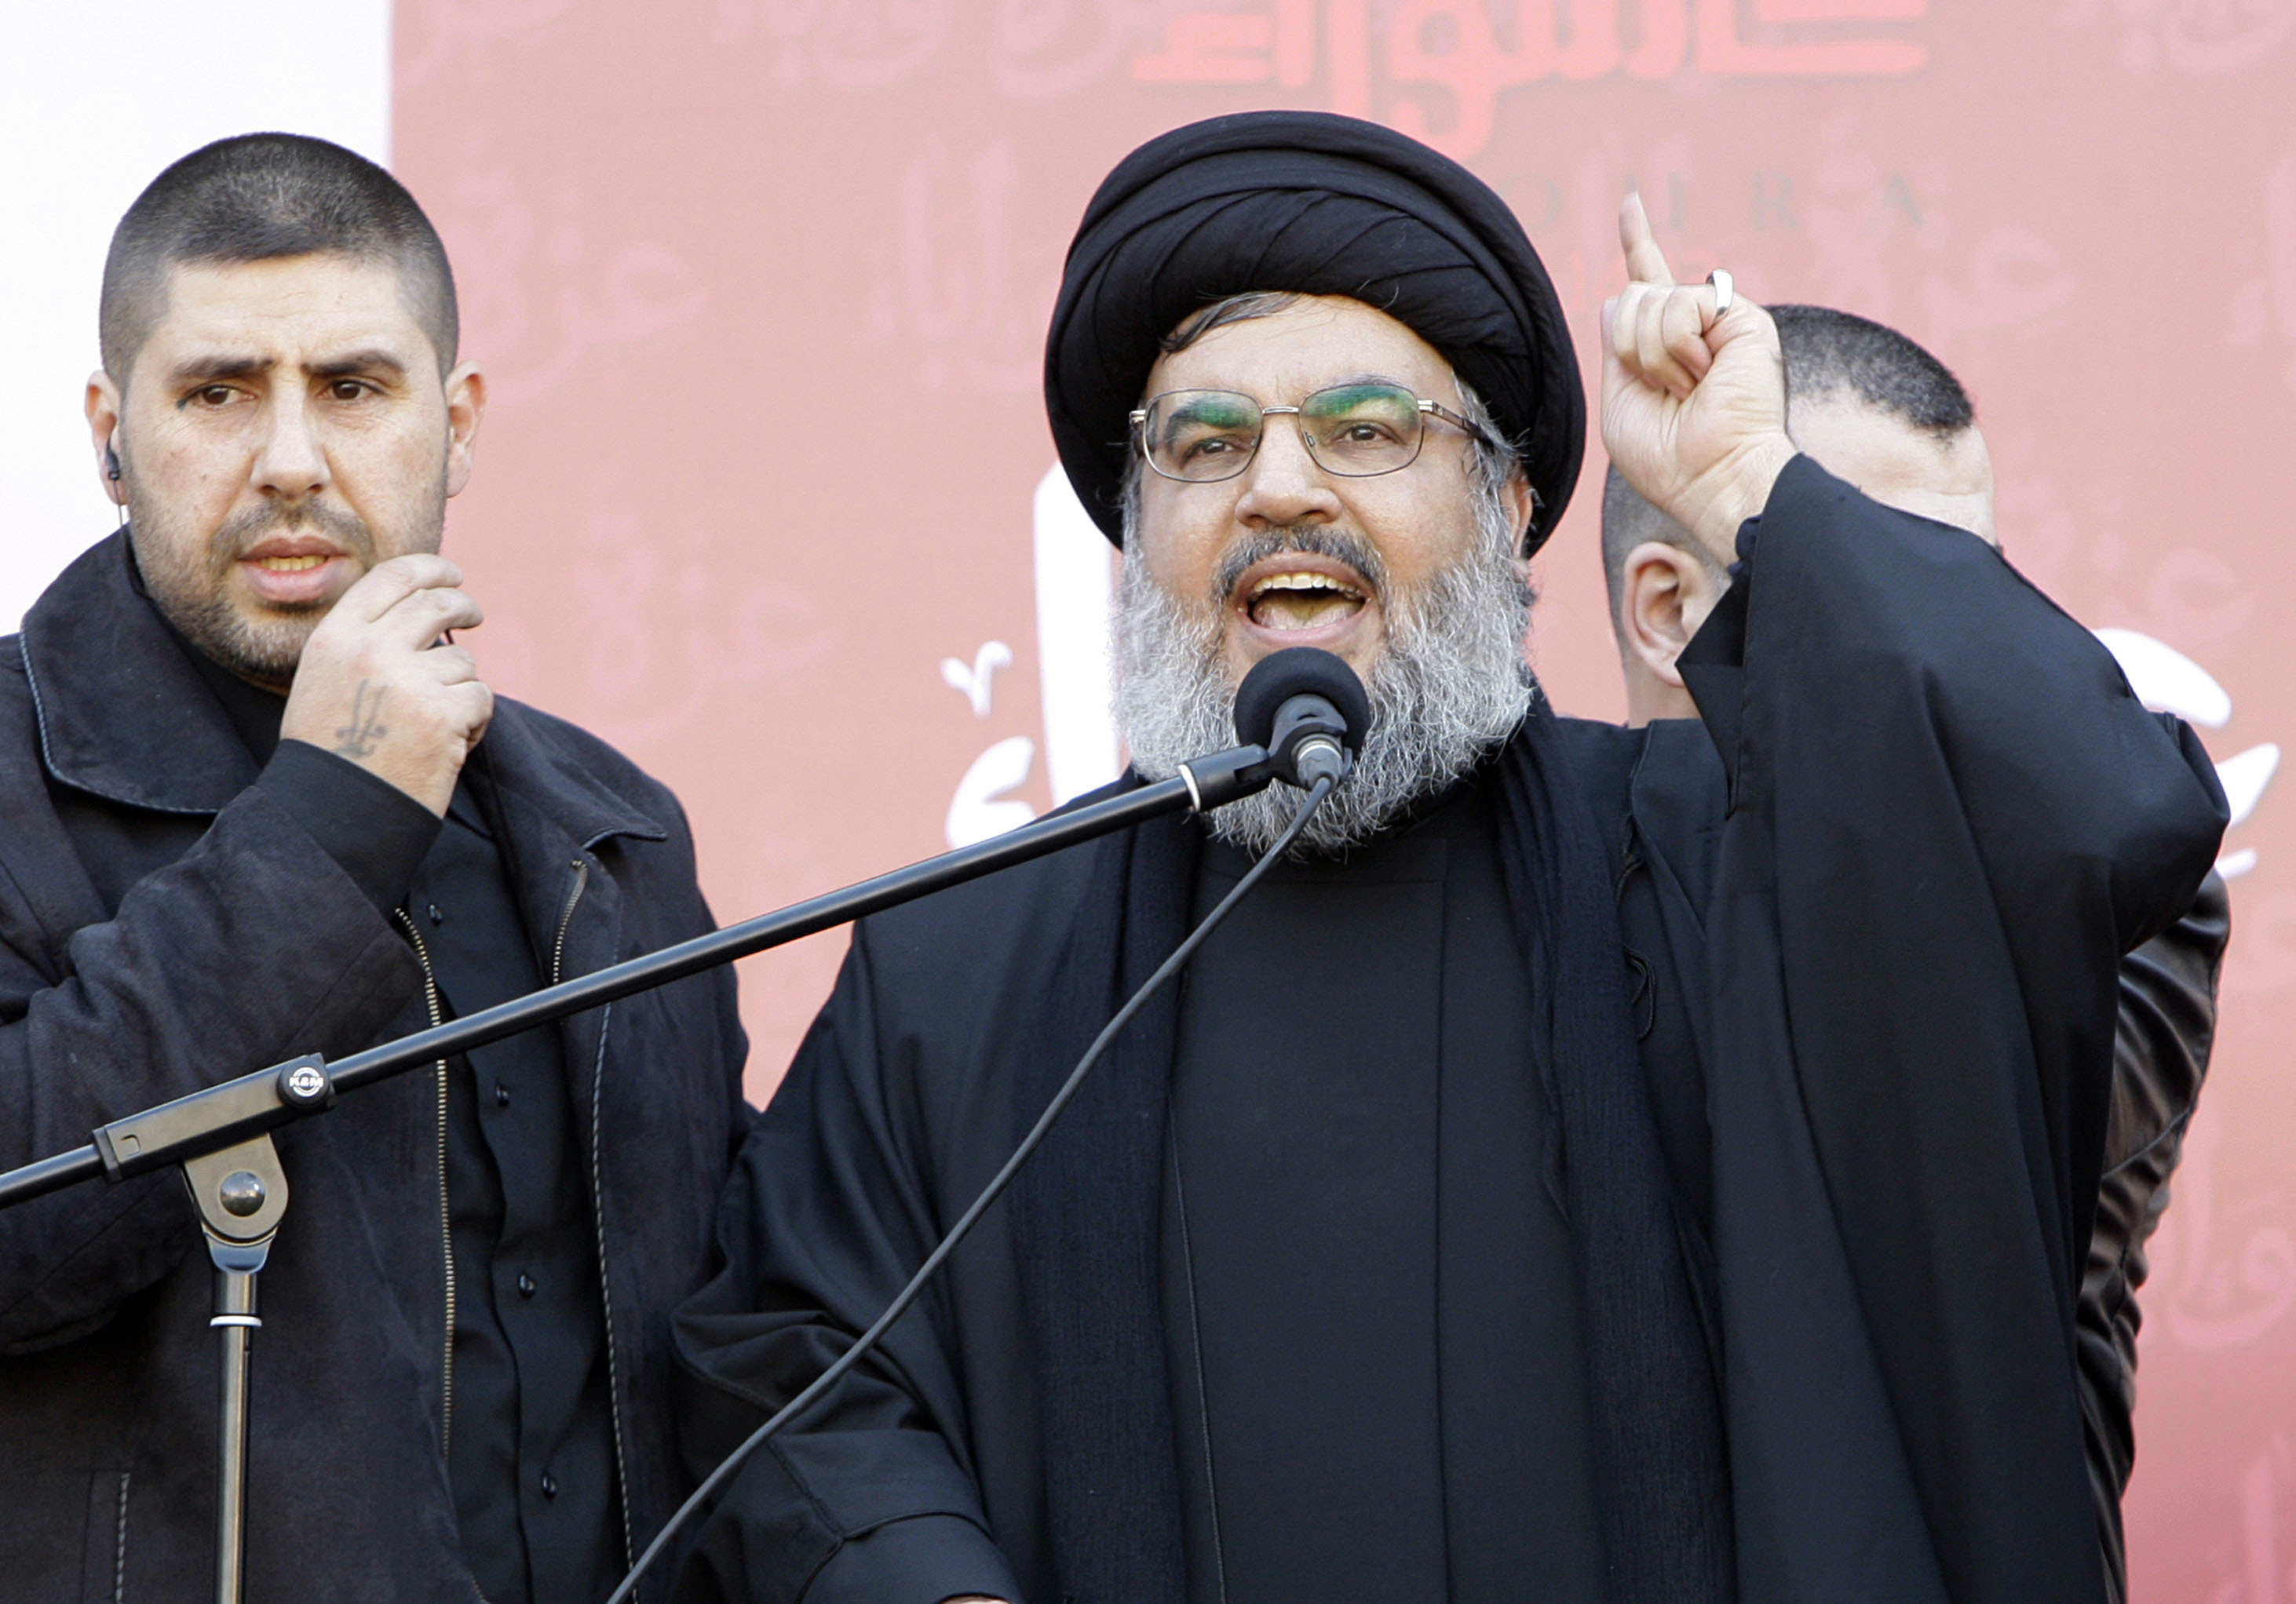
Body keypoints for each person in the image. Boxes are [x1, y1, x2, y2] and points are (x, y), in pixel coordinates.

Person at [673, 112, 2226, 1604]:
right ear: (1137, 530)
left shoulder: (1718, 860)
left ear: (1505, 500)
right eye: (1203, 443)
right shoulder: (965, 963)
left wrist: (1754, 488)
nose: (1278, 486)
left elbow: (2094, 819)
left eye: (1363, 429)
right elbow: (794, 1361)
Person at [0, 134, 749, 1602]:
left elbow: (733, 1315)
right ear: (108, 432)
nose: (290, 461)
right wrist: (327, 824)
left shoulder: (616, 825)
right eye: (217, 393)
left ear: (457, 425)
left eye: (354, 390)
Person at [1600, 303, 2227, 1604]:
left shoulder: (2106, 897)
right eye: (1872, 586)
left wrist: (1755, 494)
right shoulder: (1537, 882)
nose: (1940, 651)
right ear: (1667, 608)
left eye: (1968, 590)